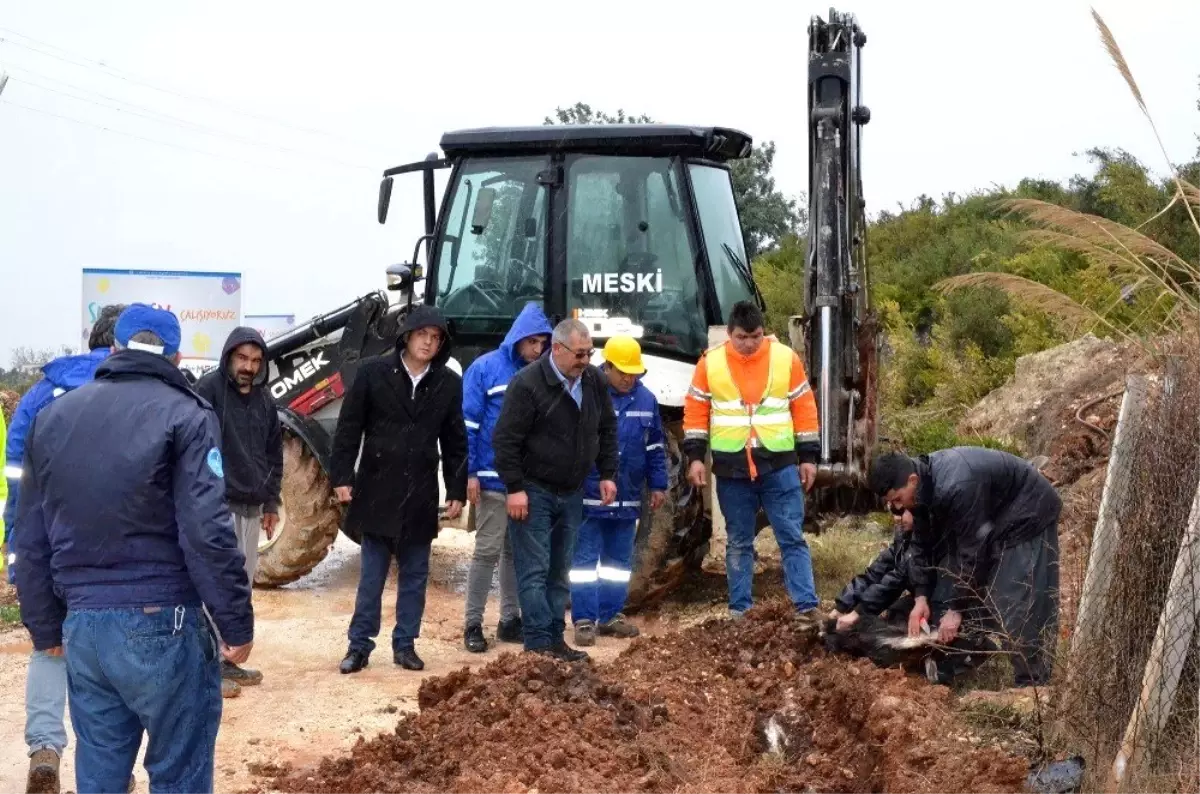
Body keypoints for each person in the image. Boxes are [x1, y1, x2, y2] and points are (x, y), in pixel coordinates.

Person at [12, 303, 254, 794]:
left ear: (115, 347)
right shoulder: (187, 413)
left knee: (101, 777)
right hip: (164, 621)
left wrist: (43, 624)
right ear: (176, 355)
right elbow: (206, 529)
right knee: (178, 774)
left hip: (85, 628)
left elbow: (31, 531)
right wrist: (235, 622)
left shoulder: (54, 417)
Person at [4, 304, 124, 792]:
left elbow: (17, 476)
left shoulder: (39, 394)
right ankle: (112, 765)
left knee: (48, 645)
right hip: (107, 549)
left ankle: (45, 748)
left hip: (47, 543)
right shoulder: (130, 392)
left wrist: (17, 542)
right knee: (108, 656)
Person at [333, 306, 468, 674]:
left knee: (415, 576)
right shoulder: (372, 373)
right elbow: (349, 429)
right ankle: (359, 646)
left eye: (437, 337)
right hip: (377, 489)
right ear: (406, 335)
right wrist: (342, 477)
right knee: (372, 577)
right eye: (423, 333)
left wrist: (456, 488)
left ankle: (405, 645)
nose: (429, 341)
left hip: (421, 492)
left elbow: (455, 440)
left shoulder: (447, 384)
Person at [868, 446, 1062, 687]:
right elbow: (921, 544)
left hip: (1027, 515)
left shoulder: (956, 485)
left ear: (912, 480)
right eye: (891, 503)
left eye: (898, 499)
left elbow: (973, 549)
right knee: (972, 586)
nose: (898, 508)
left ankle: (1033, 687)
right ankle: (979, 644)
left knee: (1018, 599)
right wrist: (921, 597)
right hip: (994, 522)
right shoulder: (922, 488)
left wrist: (956, 610)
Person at [682, 300, 822, 623]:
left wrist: (809, 457)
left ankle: (806, 607)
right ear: (729, 334)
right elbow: (695, 412)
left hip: (779, 466)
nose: (749, 344)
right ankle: (740, 611)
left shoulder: (786, 359)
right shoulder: (710, 363)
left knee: (791, 537)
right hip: (732, 470)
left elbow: (804, 409)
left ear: (764, 332)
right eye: (742, 337)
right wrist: (694, 458)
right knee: (739, 542)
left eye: (755, 336)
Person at [492, 318, 619, 661]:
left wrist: (607, 473)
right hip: (533, 490)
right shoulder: (528, 384)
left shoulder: (591, 380)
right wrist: (515, 488)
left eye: (589, 353)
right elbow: (505, 440)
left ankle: (554, 639)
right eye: (579, 354)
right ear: (558, 349)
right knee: (533, 569)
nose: (585, 360)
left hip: (572, 490)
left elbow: (606, 427)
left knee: (560, 570)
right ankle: (536, 646)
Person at [195, 327, 283, 696]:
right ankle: (207, 668)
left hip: (250, 508)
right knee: (213, 587)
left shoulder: (264, 402)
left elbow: (273, 454)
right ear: (229, 356)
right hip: (216, 507)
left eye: (256, 360)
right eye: (242, 358)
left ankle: (227, 661)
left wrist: (271, 502)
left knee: (239, 587)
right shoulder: (207, 392)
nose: (248, 367)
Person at [460, 302, 552, 653]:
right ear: (519, 339)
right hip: (490, 478)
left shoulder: (539, 373)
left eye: (543, 343)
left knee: (514, 554)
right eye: (534, 343)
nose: (538, 349)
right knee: (486, 551)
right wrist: (470, 473)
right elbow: (469, 424)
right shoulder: (486, 369)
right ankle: (472, 623)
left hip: (524, 484)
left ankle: (510, 620)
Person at [568, 336, 667, 646]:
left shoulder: (647, 400)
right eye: (623, 371)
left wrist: (659, 483)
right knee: (584, 562)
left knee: (618, 564)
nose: (629, 378)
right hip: (590, 494)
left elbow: (655, 446)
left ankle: (610, 615)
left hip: (627, 495)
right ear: (606, 366)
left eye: (634, 372)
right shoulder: (585, 393)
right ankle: (584, 619)